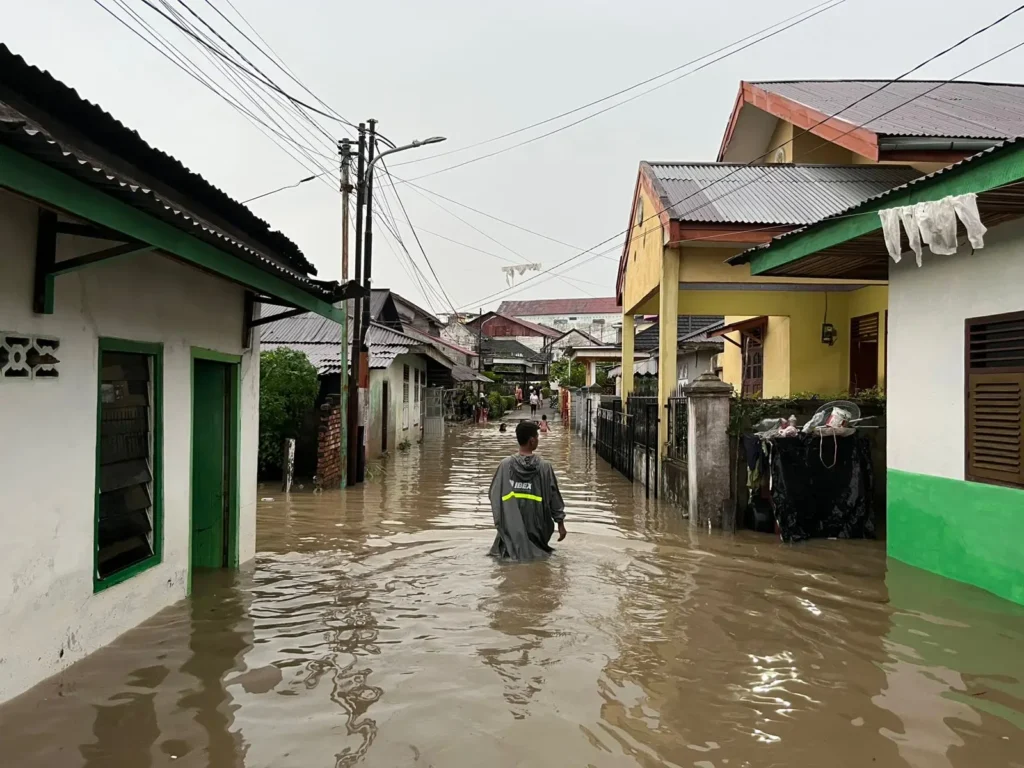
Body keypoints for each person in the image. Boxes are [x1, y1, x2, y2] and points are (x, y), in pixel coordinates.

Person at [488, 421, 566, 561]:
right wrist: (560, 524)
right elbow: (554, 498)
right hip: (537, 530)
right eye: (537, 436)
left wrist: (504, 521)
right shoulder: (545, 467)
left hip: (511, 532)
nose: (538, 439)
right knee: (538, 560)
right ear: (532, 441)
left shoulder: (505, 466)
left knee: (508, 561)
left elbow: (494, 496)